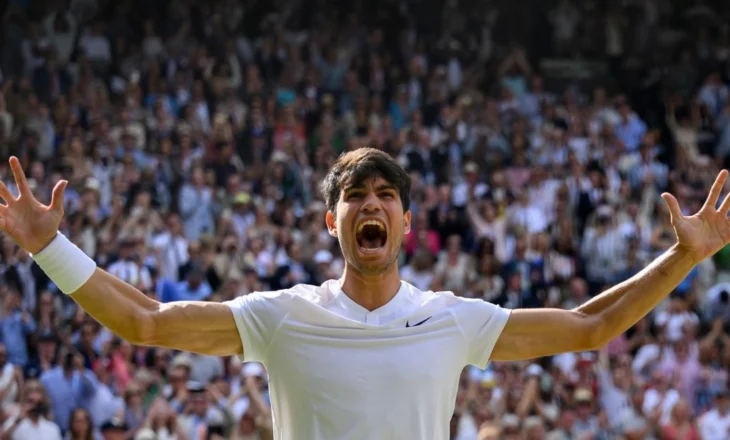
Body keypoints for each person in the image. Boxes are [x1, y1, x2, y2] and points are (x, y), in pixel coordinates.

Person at [0, 148, 729, 439]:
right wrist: (48, 247)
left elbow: (588, 325)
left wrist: (683, 257)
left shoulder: (453, 318)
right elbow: (147, 322)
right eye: (355, 195)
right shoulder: (283, 315)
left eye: (386, 195)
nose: (370, 205)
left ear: (407, 221)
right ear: (332, 219)